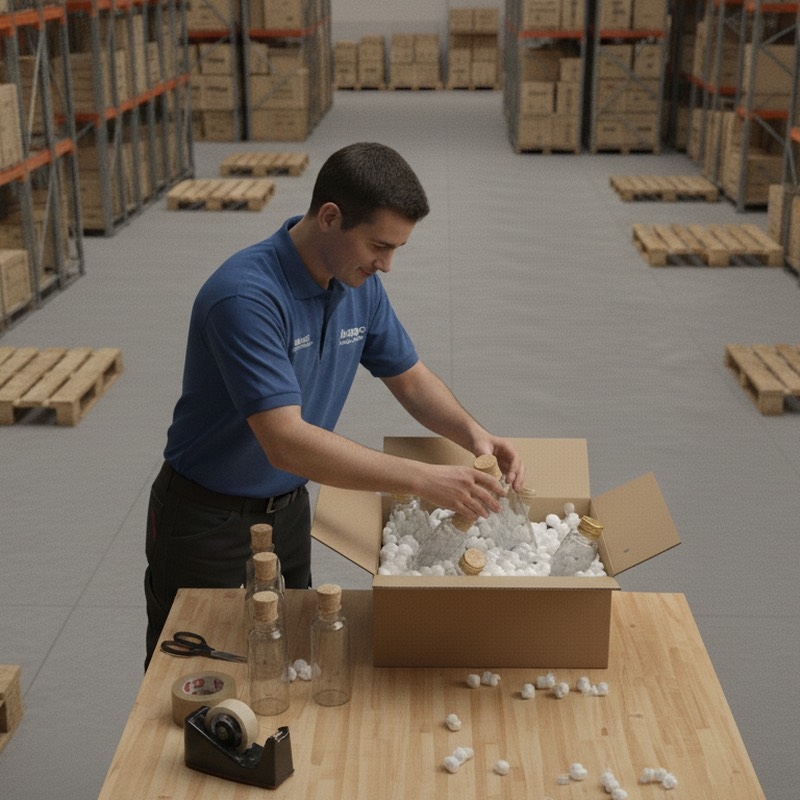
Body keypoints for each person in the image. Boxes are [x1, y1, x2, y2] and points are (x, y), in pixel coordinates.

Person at [144, 142, 525, 667]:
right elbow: (285, 441)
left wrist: (474, 435)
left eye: (396, 249)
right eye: (379, 246)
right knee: (196, 674)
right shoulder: (245, 298)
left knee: (282, 660)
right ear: (329, 217)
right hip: (207, 521)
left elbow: (411, 380)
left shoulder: (356, 284)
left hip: (287, 511)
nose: (386, 265)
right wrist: (423, 478)